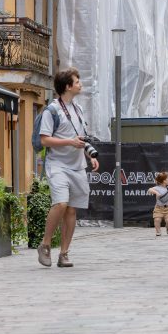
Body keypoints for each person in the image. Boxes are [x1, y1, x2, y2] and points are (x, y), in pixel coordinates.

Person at [37, 67, 100, 268]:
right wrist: (70, 143)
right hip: (57, 165)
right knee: (61, 204)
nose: (80, 83)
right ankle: (45, 245)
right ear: (67, 86)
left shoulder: (78, 109)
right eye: (77, 81)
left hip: (77, 165)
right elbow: (45, 140)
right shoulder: (52, 110)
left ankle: (64, 253)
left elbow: (80, 137)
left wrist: (90, 155)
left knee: (72, 210)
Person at [149, 172, 168, 236]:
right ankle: (158, 231)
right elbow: (149, 190)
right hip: (158, 208)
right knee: (157, 220)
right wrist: (156, 193)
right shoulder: (157, 188)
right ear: (163, 181)